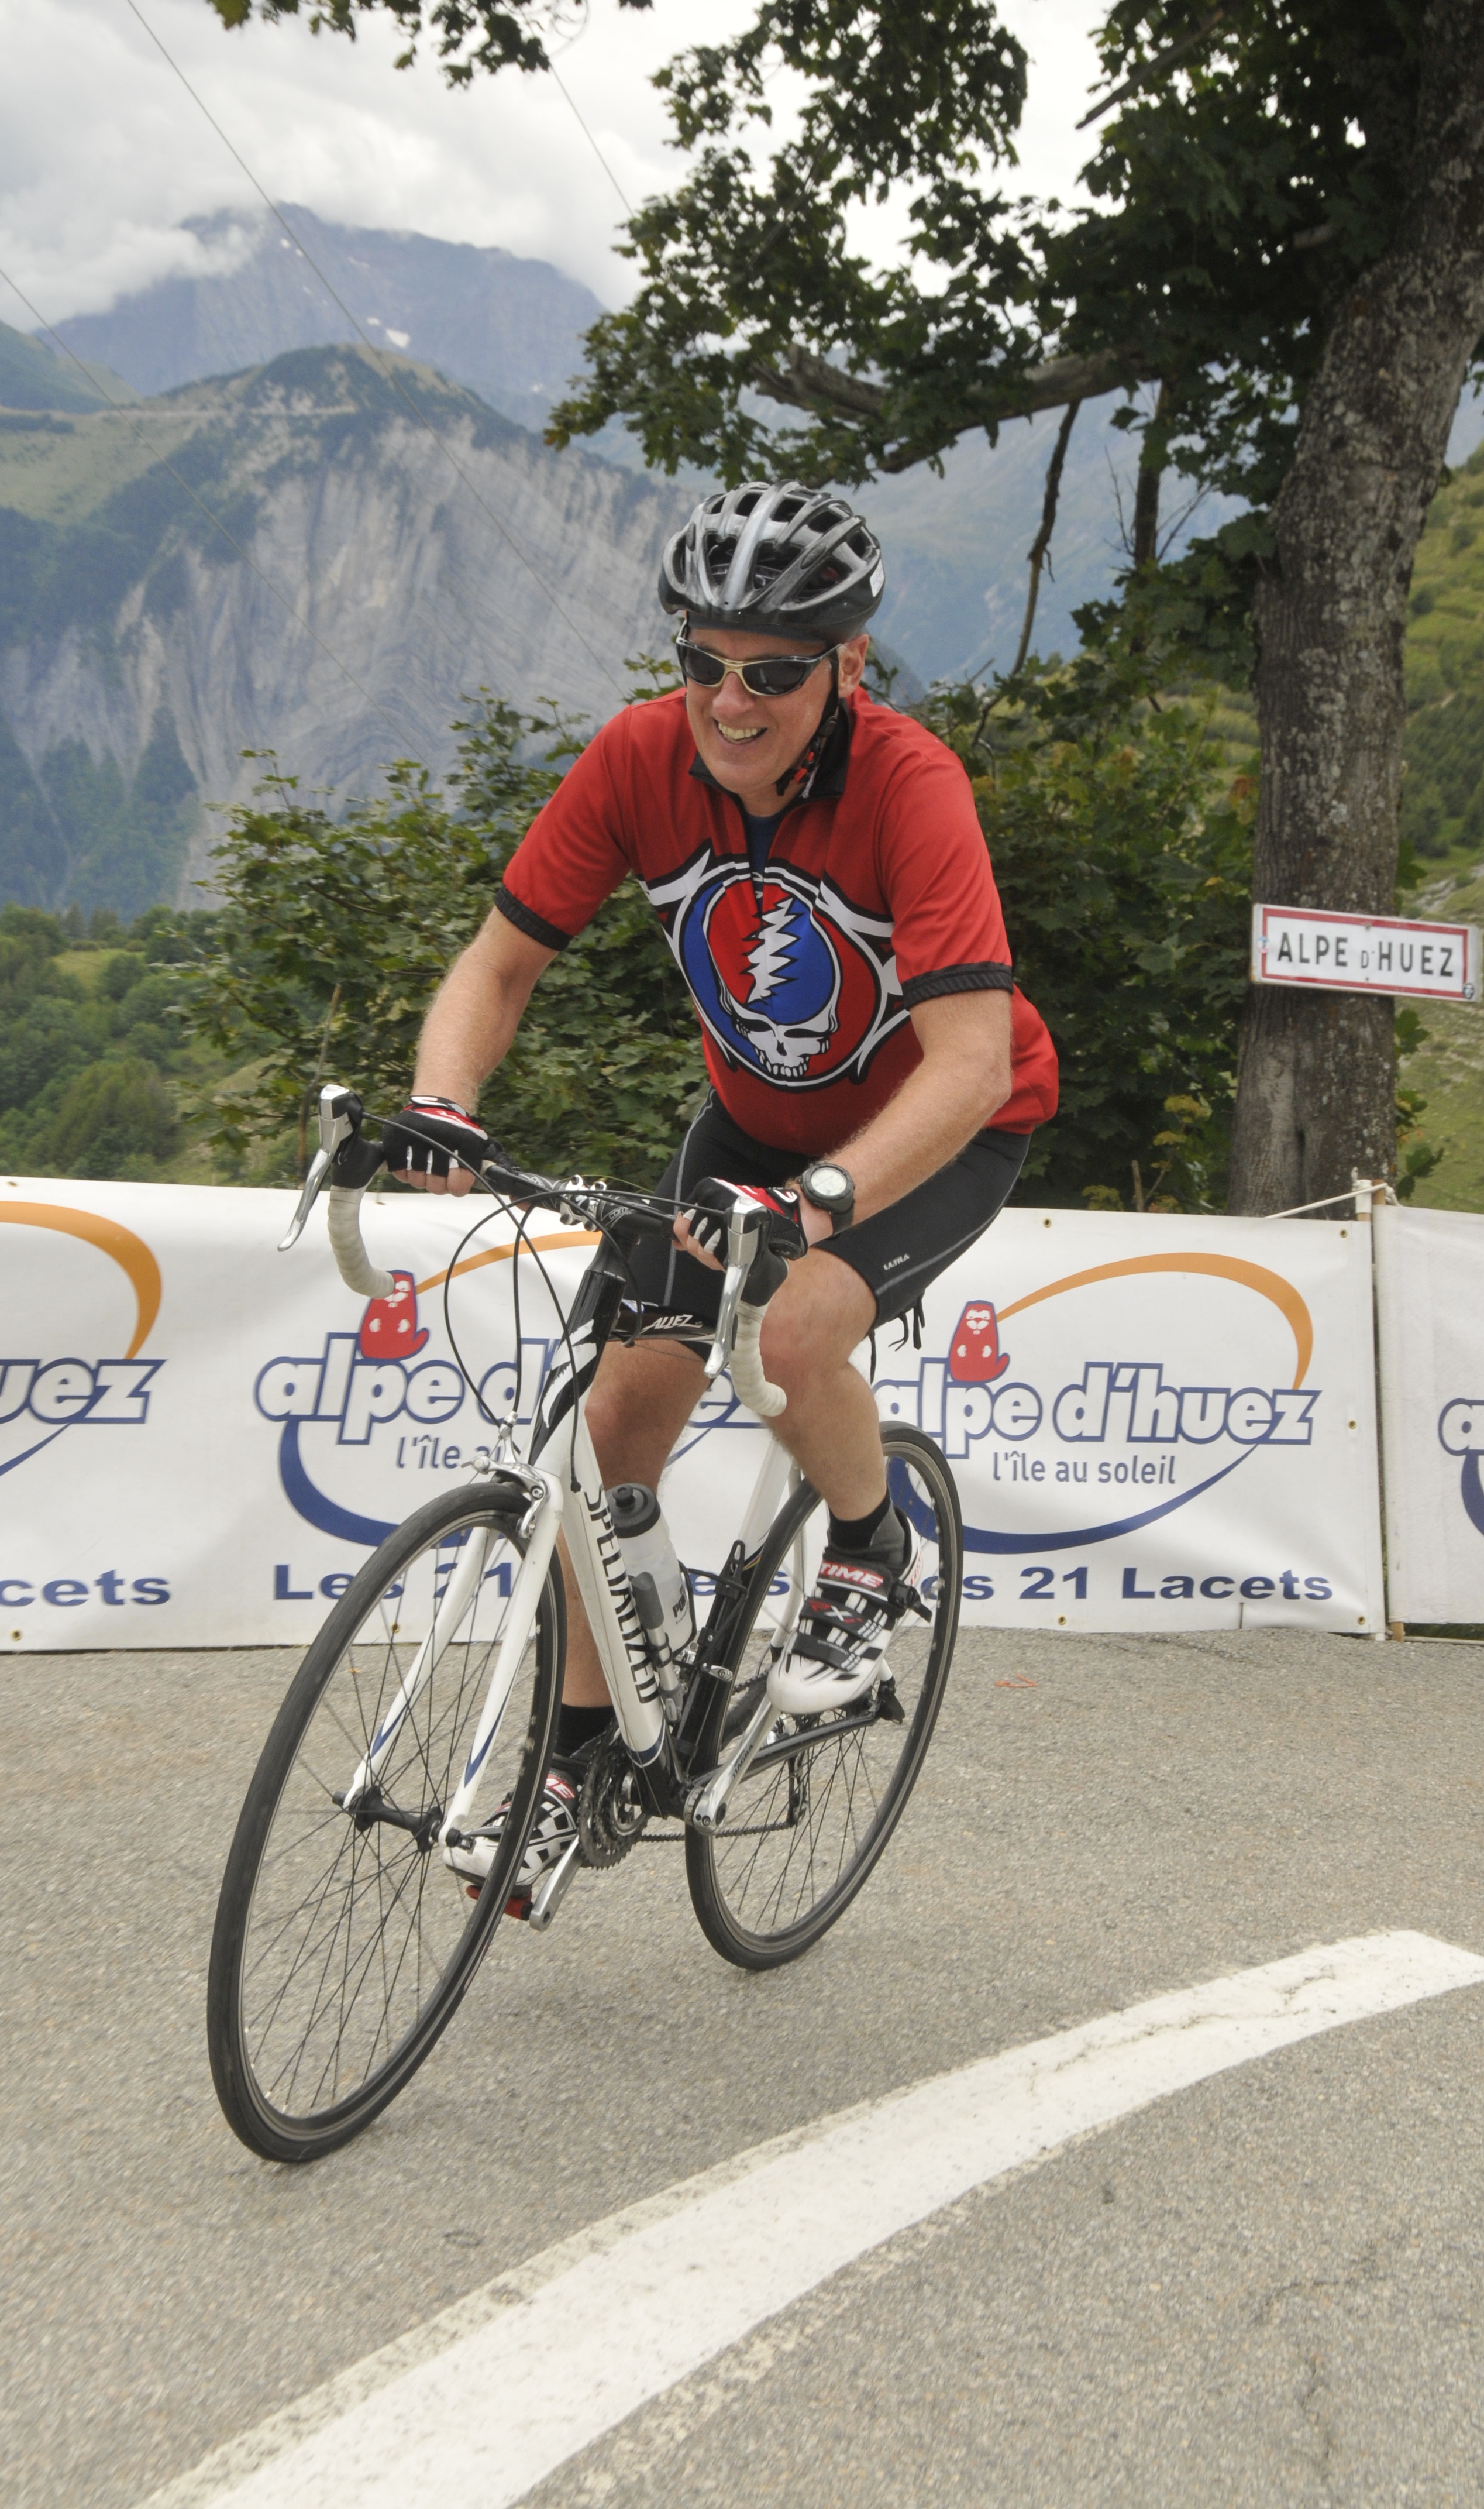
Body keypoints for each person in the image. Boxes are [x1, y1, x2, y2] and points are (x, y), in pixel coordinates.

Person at [377, 482, 1058, 1892]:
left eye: (772, 672)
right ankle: (574, 1758)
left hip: (933, 1129)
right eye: (703, 662)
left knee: (791, 1332)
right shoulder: (636, 761)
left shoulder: (908, 784)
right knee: (604, 1427)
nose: (728, 701)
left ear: (846, 667)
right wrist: (442, 1099)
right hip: (747, 1131)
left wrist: (820, 1199)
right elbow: (498, 962)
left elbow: (972, 1061)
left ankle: (870, 1542)